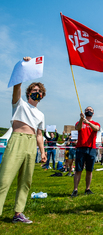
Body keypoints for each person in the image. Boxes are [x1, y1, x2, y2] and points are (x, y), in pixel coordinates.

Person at [0, 57, 47, 224]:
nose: (37, 93)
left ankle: (18, 213)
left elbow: (39, 134)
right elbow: (17, 86)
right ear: (29, 93)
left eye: (39, 91)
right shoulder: (19, 103)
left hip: (31, 144)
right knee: (5, 179)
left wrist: (42, 151)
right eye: (34, 90)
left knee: (26, 181)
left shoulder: (41, 115)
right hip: (17, 140)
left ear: (42, 96)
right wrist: (24, 67)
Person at [71, 106, 100, 197]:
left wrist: (88, 122)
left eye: (91, 110)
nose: (89, 111)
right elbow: (77, 128)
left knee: (89, 170)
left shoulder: (95, 123)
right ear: (84, 112)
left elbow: (96, 128)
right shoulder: (80, 122)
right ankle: (75, 189)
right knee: (78, 170)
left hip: (91, 148)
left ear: (93, 113)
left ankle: (87, 188)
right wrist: (81, 119)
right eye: (87, 110)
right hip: (80, 148)